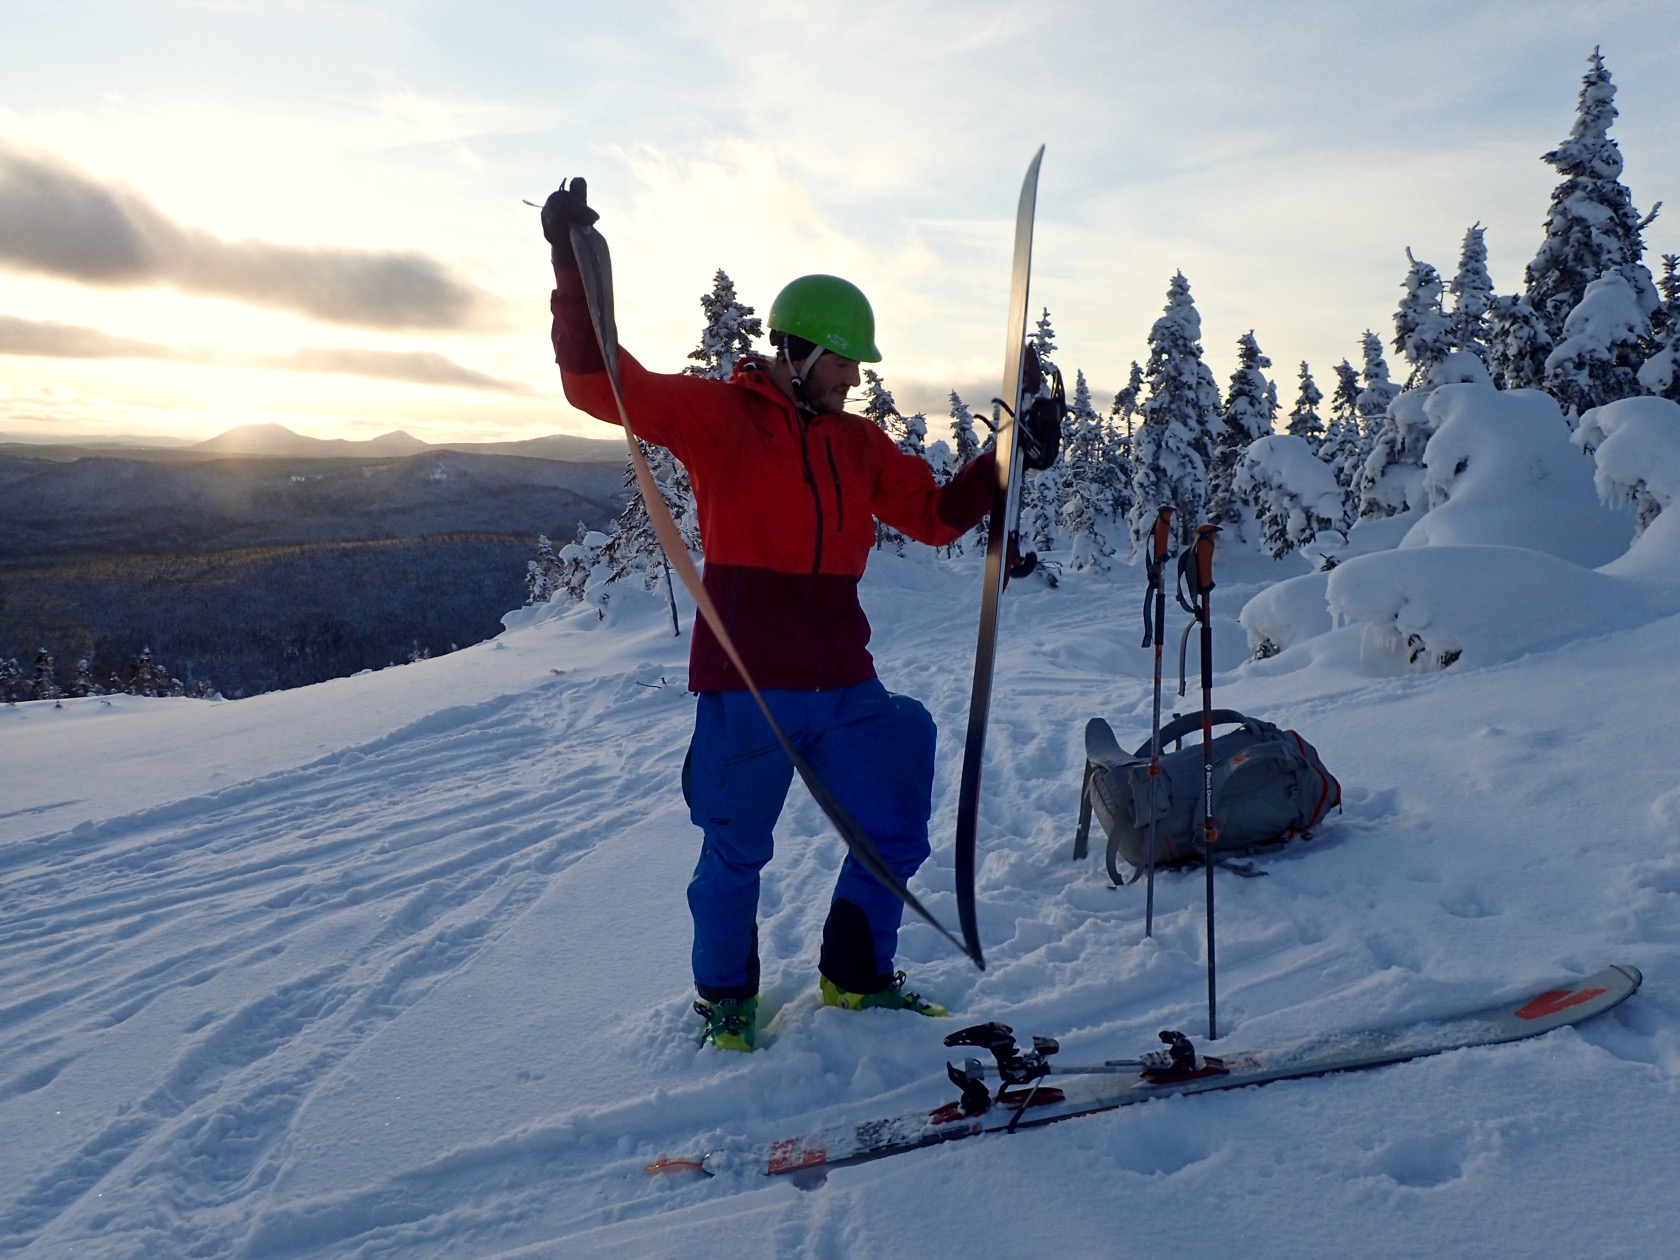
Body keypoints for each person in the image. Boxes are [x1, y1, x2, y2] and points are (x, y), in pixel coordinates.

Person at [542, 178, 1056, 1051]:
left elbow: (933, 519)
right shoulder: (723, 418)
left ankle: (855, 978)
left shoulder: (857, 444)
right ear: (798, 350)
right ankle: (726, 1005)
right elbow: (602, 386)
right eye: (846, 362)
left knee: (893, 813)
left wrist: (1006, 458)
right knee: (735, 850)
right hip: (749, 681)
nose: (857, 379)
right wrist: (571, 264)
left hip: (845, 679)